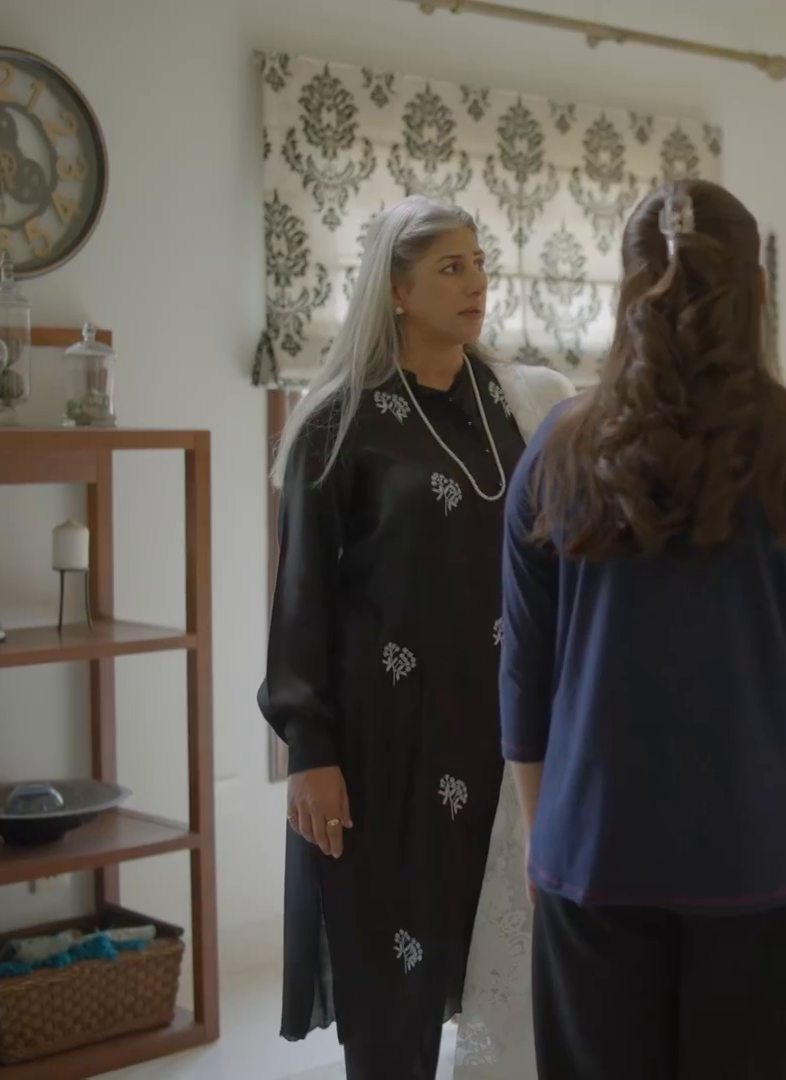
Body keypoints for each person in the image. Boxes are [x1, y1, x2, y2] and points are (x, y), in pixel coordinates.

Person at [501, 179, 786, 1080]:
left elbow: (526, 672)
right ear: (759, 292)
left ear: (626, 292)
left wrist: (541, 835)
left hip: (591, 850)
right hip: (768, 857)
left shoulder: (558, 448)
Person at [260, 195, 574, 1079]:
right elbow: (300, 599)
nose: (477, 284)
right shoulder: (338, 424)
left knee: (509, 982)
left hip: (506, 744)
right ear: (397, 291)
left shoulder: (521, 406)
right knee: (390, 996)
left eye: (480, 264)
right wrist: (310, 751)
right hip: (384, 751)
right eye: (451, 268)